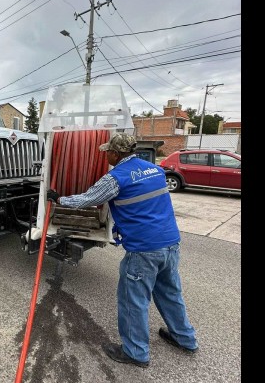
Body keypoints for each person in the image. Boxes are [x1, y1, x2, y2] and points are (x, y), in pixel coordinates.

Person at [46, 132, 198, 368]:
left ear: (116, 154)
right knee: (170, 292)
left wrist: (59, 199)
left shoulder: (116, 178)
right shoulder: (155, 170)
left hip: (144, 250)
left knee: (133, 300)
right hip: (170, 243)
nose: (105, 155)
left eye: (108, 151)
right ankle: (185, 338)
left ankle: (136, 352)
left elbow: (87, 199)